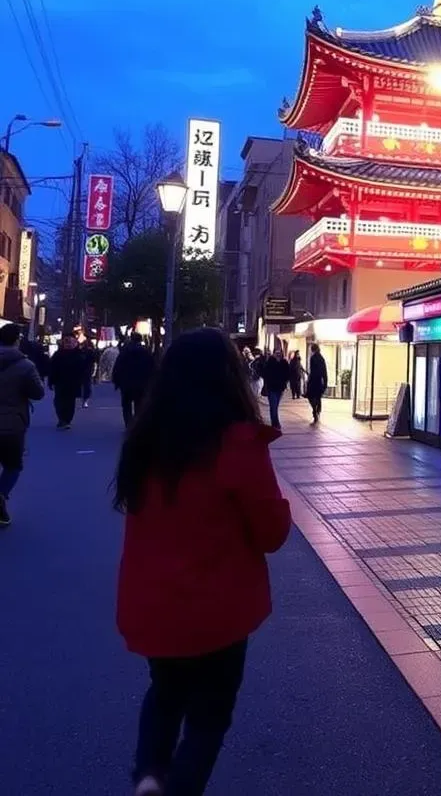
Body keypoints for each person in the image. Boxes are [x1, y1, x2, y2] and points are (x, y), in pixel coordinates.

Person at [114, 327, 291, 796]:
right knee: (210, 715)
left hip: (153, 600)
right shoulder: (236, 443)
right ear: (229, 376)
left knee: (165, 692)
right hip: (219, 606)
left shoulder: (144, 440)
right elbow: (273, 534)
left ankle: (150, 774)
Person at [0, 323, 45, 527]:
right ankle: (1, 494)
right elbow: (38, 393)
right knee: (12, 465)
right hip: (12, 423)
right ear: (17, 340)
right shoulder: (26, 365)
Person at [113, 334, 156, 428]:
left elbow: (118, 367)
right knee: (139, 404)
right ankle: (137, 424)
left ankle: (128, 424)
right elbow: (152, 367)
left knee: (126, 405)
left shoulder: (124, 352)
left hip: (126, 383)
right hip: (141, 383)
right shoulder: (146, 352)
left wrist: (116, 381)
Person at [48, 333, 82, 430]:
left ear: (75, 343)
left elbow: (83, 369)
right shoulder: (58, 355)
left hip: (73, 383)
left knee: (70, 402)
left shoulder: (79, 354)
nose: (68, 344)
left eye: (70, 342)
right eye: (66, 341)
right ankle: (62, 419)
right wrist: (51, 381)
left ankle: (67, 420)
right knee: (59, 401)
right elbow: (52, 369)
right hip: (60, 383)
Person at [260, 350, 290, 430]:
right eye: (276, 353)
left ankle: (275, 422)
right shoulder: (270, 361)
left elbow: (288, 373)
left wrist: (285, 382)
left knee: (275, 406)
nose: (278, 354)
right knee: (273, 406)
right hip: (272, 387)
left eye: (279, 353)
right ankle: (275, 423)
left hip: (280, 388)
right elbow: (265, 373)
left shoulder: (284, 362)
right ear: (274, 354)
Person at [306, 343, 328, 425]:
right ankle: (317, 411)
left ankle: (315, 411)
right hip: (319, 381)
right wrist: (325, 382)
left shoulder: (313, 358)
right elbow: (324, 371)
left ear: (313, 349)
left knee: (310, 396)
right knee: (318, 397)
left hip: (314, 380)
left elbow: (312, 371)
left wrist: (309, 379)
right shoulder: (322, 358)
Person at [80, 338, 98, 408]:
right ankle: (85, 400)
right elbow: (94, 360)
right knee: (87, 385)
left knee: (84, 385)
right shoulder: (91, 352)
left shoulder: (81, 351)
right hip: (88, 371)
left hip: (82, 370)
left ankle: (84, 399)